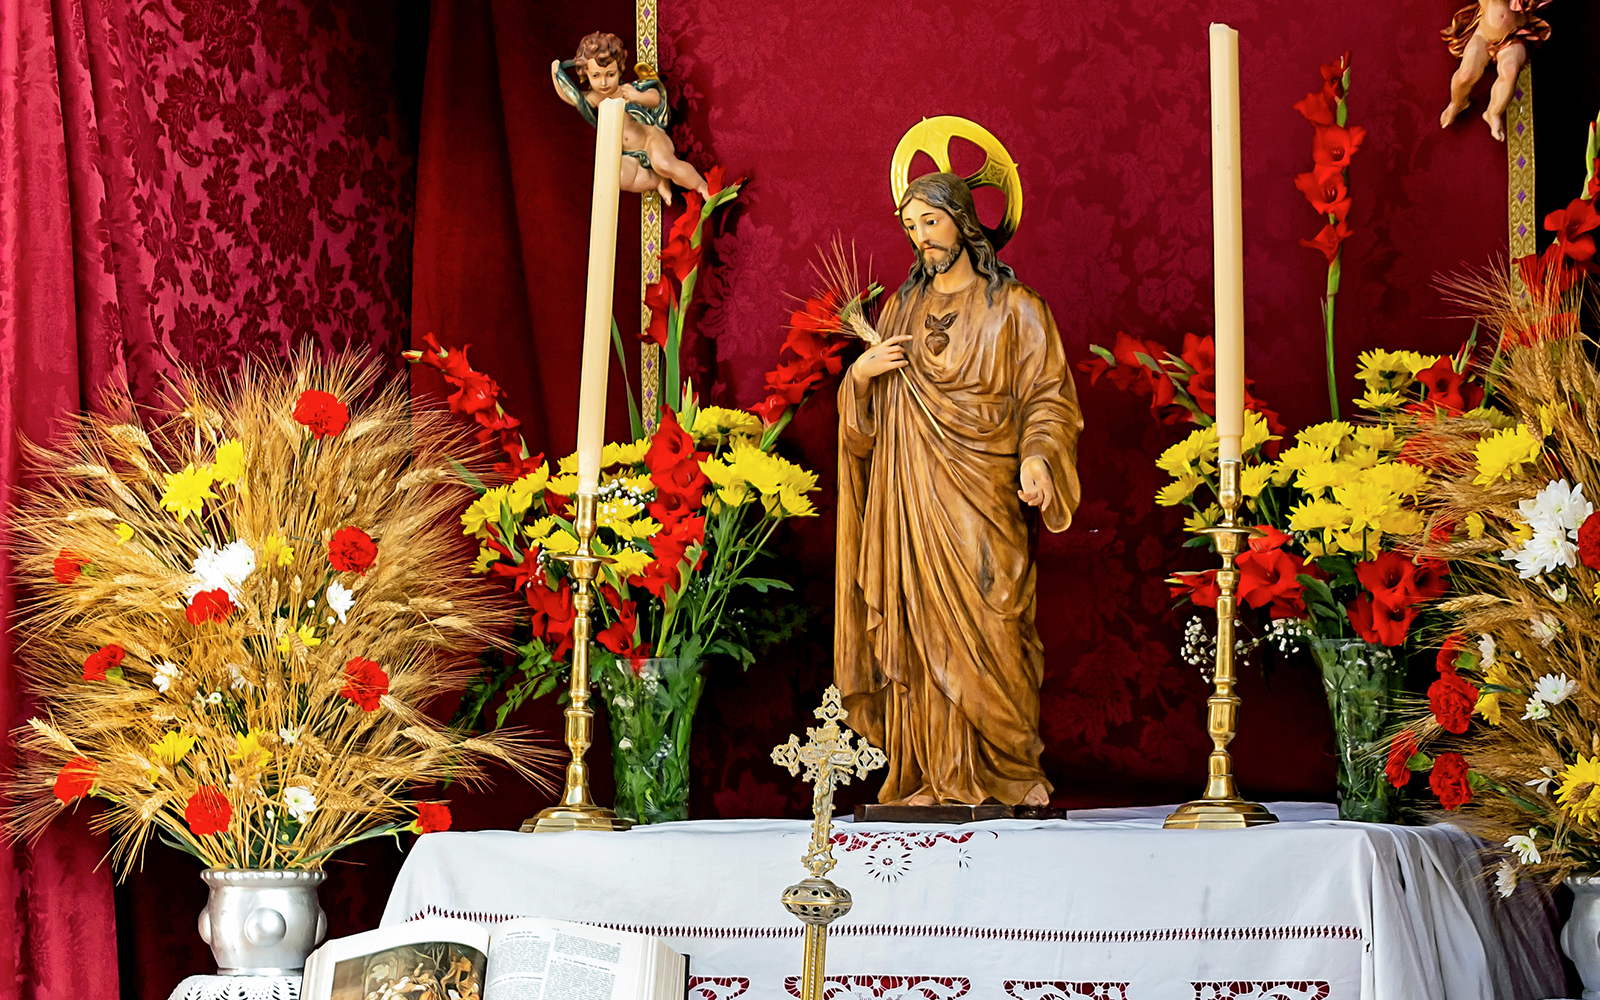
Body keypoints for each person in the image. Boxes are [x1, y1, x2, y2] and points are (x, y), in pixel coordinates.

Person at [835, 172, 1083, 807]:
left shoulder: (1018, 308)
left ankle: (1007, 771)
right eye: (910, 225)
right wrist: (859, 380)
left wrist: (1037, 458)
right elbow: (867, 428)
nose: (921, 238)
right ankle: (929, 776)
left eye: (931, 222)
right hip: (910, 505)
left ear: (964, 222)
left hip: (985, 500)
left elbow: (1049, 398)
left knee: (994, 621)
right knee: (919, 632)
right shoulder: (900, 309)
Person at [550, 32, 709, 204]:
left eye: (610, 74)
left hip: (650, 140)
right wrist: (556, 74)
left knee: (664, 164)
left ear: (619, 69)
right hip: (629, 153)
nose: (603, 83)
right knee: (616, 178)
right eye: (596, 76)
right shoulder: (594, 98)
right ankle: (657, 180)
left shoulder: (626, 90)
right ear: (586, 73)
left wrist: (636, 97)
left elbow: (655, 97)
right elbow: (572, 98)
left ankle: (702, 187)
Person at [1439, 0, 1552, 141]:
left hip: (1513, 37)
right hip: (1484, 35)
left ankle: (1493, 112)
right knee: (1465, 75)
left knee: (1510, 72)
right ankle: (1458, 102)